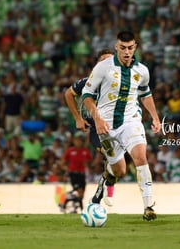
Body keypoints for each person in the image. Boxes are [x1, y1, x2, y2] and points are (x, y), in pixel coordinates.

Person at [82, 31, 161, 221]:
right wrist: (97, 119)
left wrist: (155, 118)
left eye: (130, 48)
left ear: (135, 48)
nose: (127, 52)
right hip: (106, 126)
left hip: (131, 120)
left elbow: (146, 94)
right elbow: (86, 95)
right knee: (119, 170)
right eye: (123, 47)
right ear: (117, 47)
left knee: (141, 157)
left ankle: (148, 206)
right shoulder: (103, 67)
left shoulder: (142, 70)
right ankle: (108, 174)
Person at [64, 48, 117, 207]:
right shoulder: (88, 82)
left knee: (117, 160)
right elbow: (68, 94)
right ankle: (99, 196)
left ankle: (104, 190)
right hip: (96, 127)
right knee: (109, 154)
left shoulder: (120, 83)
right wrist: (77, 118)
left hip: (117, 125)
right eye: (103, 61)